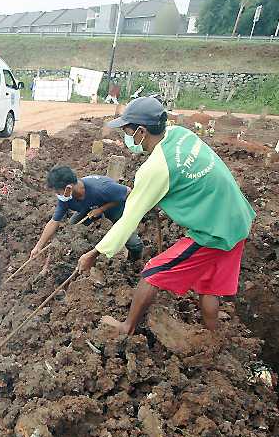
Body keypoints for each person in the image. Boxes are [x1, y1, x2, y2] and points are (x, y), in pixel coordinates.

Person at [77, 97, 255, 334]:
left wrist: (94, 253)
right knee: (209, 287)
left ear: (141, 132)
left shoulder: (156, 168)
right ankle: (213, 339)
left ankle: (127, 327)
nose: (126, 137)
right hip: (237, 217)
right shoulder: (179, 134)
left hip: (214, 229)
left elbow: (128, 220)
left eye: (127, 131)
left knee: (153, 272)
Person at [30, 166, 143, 261]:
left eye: (57, 192)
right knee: (72, 229)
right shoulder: (66, 197)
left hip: (115, 206)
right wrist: (38, 246)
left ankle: (134, 264)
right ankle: (72, 257)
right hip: (90, 208)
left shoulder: (102, 188)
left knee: (134, 244)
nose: (57, 195)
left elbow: (129, 192)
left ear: (68, 188)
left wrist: (102, 209)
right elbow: (54, 221)